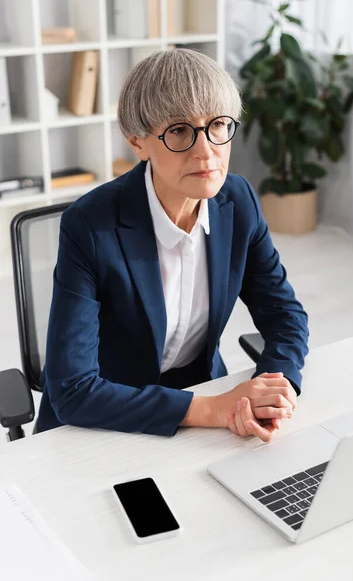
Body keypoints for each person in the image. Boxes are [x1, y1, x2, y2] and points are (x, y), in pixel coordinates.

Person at [37, 48, 309, 442]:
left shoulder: (239, 201)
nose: (206, 150)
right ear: (138, 143)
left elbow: (285, 314)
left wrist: (275, 385)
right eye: (179, 130)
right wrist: (212, 408)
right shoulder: (90, 226)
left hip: (200, 399)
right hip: (104, 419)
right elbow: (73, 390)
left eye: (218, 125)